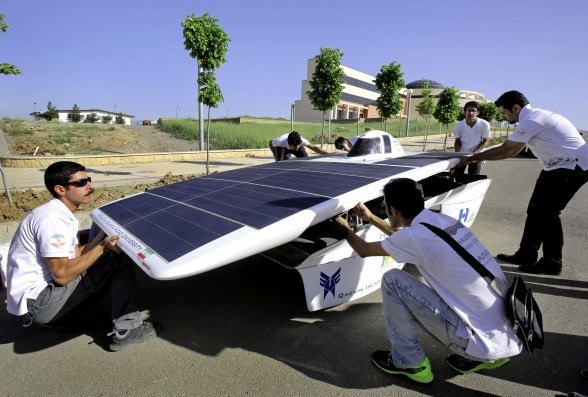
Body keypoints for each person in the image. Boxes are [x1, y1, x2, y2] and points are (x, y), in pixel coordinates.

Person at [334, 178, 521, 384]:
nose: (384, 211)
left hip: (480, 341)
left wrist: (342, 225)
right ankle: (491, 357)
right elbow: (403, 238)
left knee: (393, 280)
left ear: (393, 210)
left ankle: (409, 362)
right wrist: (370, 217)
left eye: (384, 207)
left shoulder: (414, 238)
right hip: (508, 331)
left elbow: (364, 250)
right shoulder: (444, 222)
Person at [5, 161, 158, 351]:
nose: (90, 186)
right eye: (80, 183)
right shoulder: (51, 220)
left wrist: (104, 234)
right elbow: (62, 275)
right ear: (60, 189)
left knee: (102, 256)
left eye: (89, 180)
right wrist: (103, 247)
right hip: (41, 302)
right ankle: (128, 330)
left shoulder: (57, 213)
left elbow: (76, 254)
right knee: (117, 259)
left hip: (39, 300)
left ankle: (65, 317)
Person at [456, 90, 588, 275]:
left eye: (504, 112)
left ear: (516, 108)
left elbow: (508, 150)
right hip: (554, 167)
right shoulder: (534, 117)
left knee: (549, 214)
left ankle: (552, 262)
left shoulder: (532, 120)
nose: (503, 116)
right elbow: (510, 150)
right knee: (535, 210)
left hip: (573, 167)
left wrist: (471, 159)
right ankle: (526, 253)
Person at [453, 101, 490, 176]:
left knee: (473, 178)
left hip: (477, 154)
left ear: (478, 112)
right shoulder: (458, 125)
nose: (471, 113)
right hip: (463, 154)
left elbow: (485, 141)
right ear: (465, 112)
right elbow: (457, 141)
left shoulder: (484, 124)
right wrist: (458, 155)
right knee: (457, 176)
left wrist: (475, 153)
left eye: (473, 110)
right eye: (468, 110)